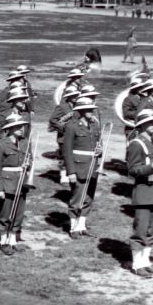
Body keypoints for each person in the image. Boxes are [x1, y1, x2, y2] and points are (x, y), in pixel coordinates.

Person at [126, 109, 153, 278]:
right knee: (141, 228)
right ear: (142, 124)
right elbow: (132, 170)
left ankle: (146, 261)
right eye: (150, 122)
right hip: (144, 192)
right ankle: (137, 264)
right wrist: (151, 166)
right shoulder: (137, 144)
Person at [0, 115, 33, 255]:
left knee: (19, 213)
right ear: (10, 128)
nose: (22, 129)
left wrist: (28, 164)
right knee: (6, 213)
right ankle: (3, 241)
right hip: (7, 182)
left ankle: (13, 240)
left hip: (22, 182)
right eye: (18, 127)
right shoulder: (0, 144)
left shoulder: (26, 142)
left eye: (22, 126)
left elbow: (30, 158)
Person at [62, 97, 103, 238]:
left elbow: (99, 143)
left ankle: (82, 225)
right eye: (88, 109)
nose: (91, 111)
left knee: (89, 197)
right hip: (78, 166)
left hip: (93, 165)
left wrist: (100, 150)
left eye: (92, 109)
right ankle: (73, 227)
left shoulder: (95, 125)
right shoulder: (72, 126)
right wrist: (71, 171)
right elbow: (67, 151)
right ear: (80, 110)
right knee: (76, 197)